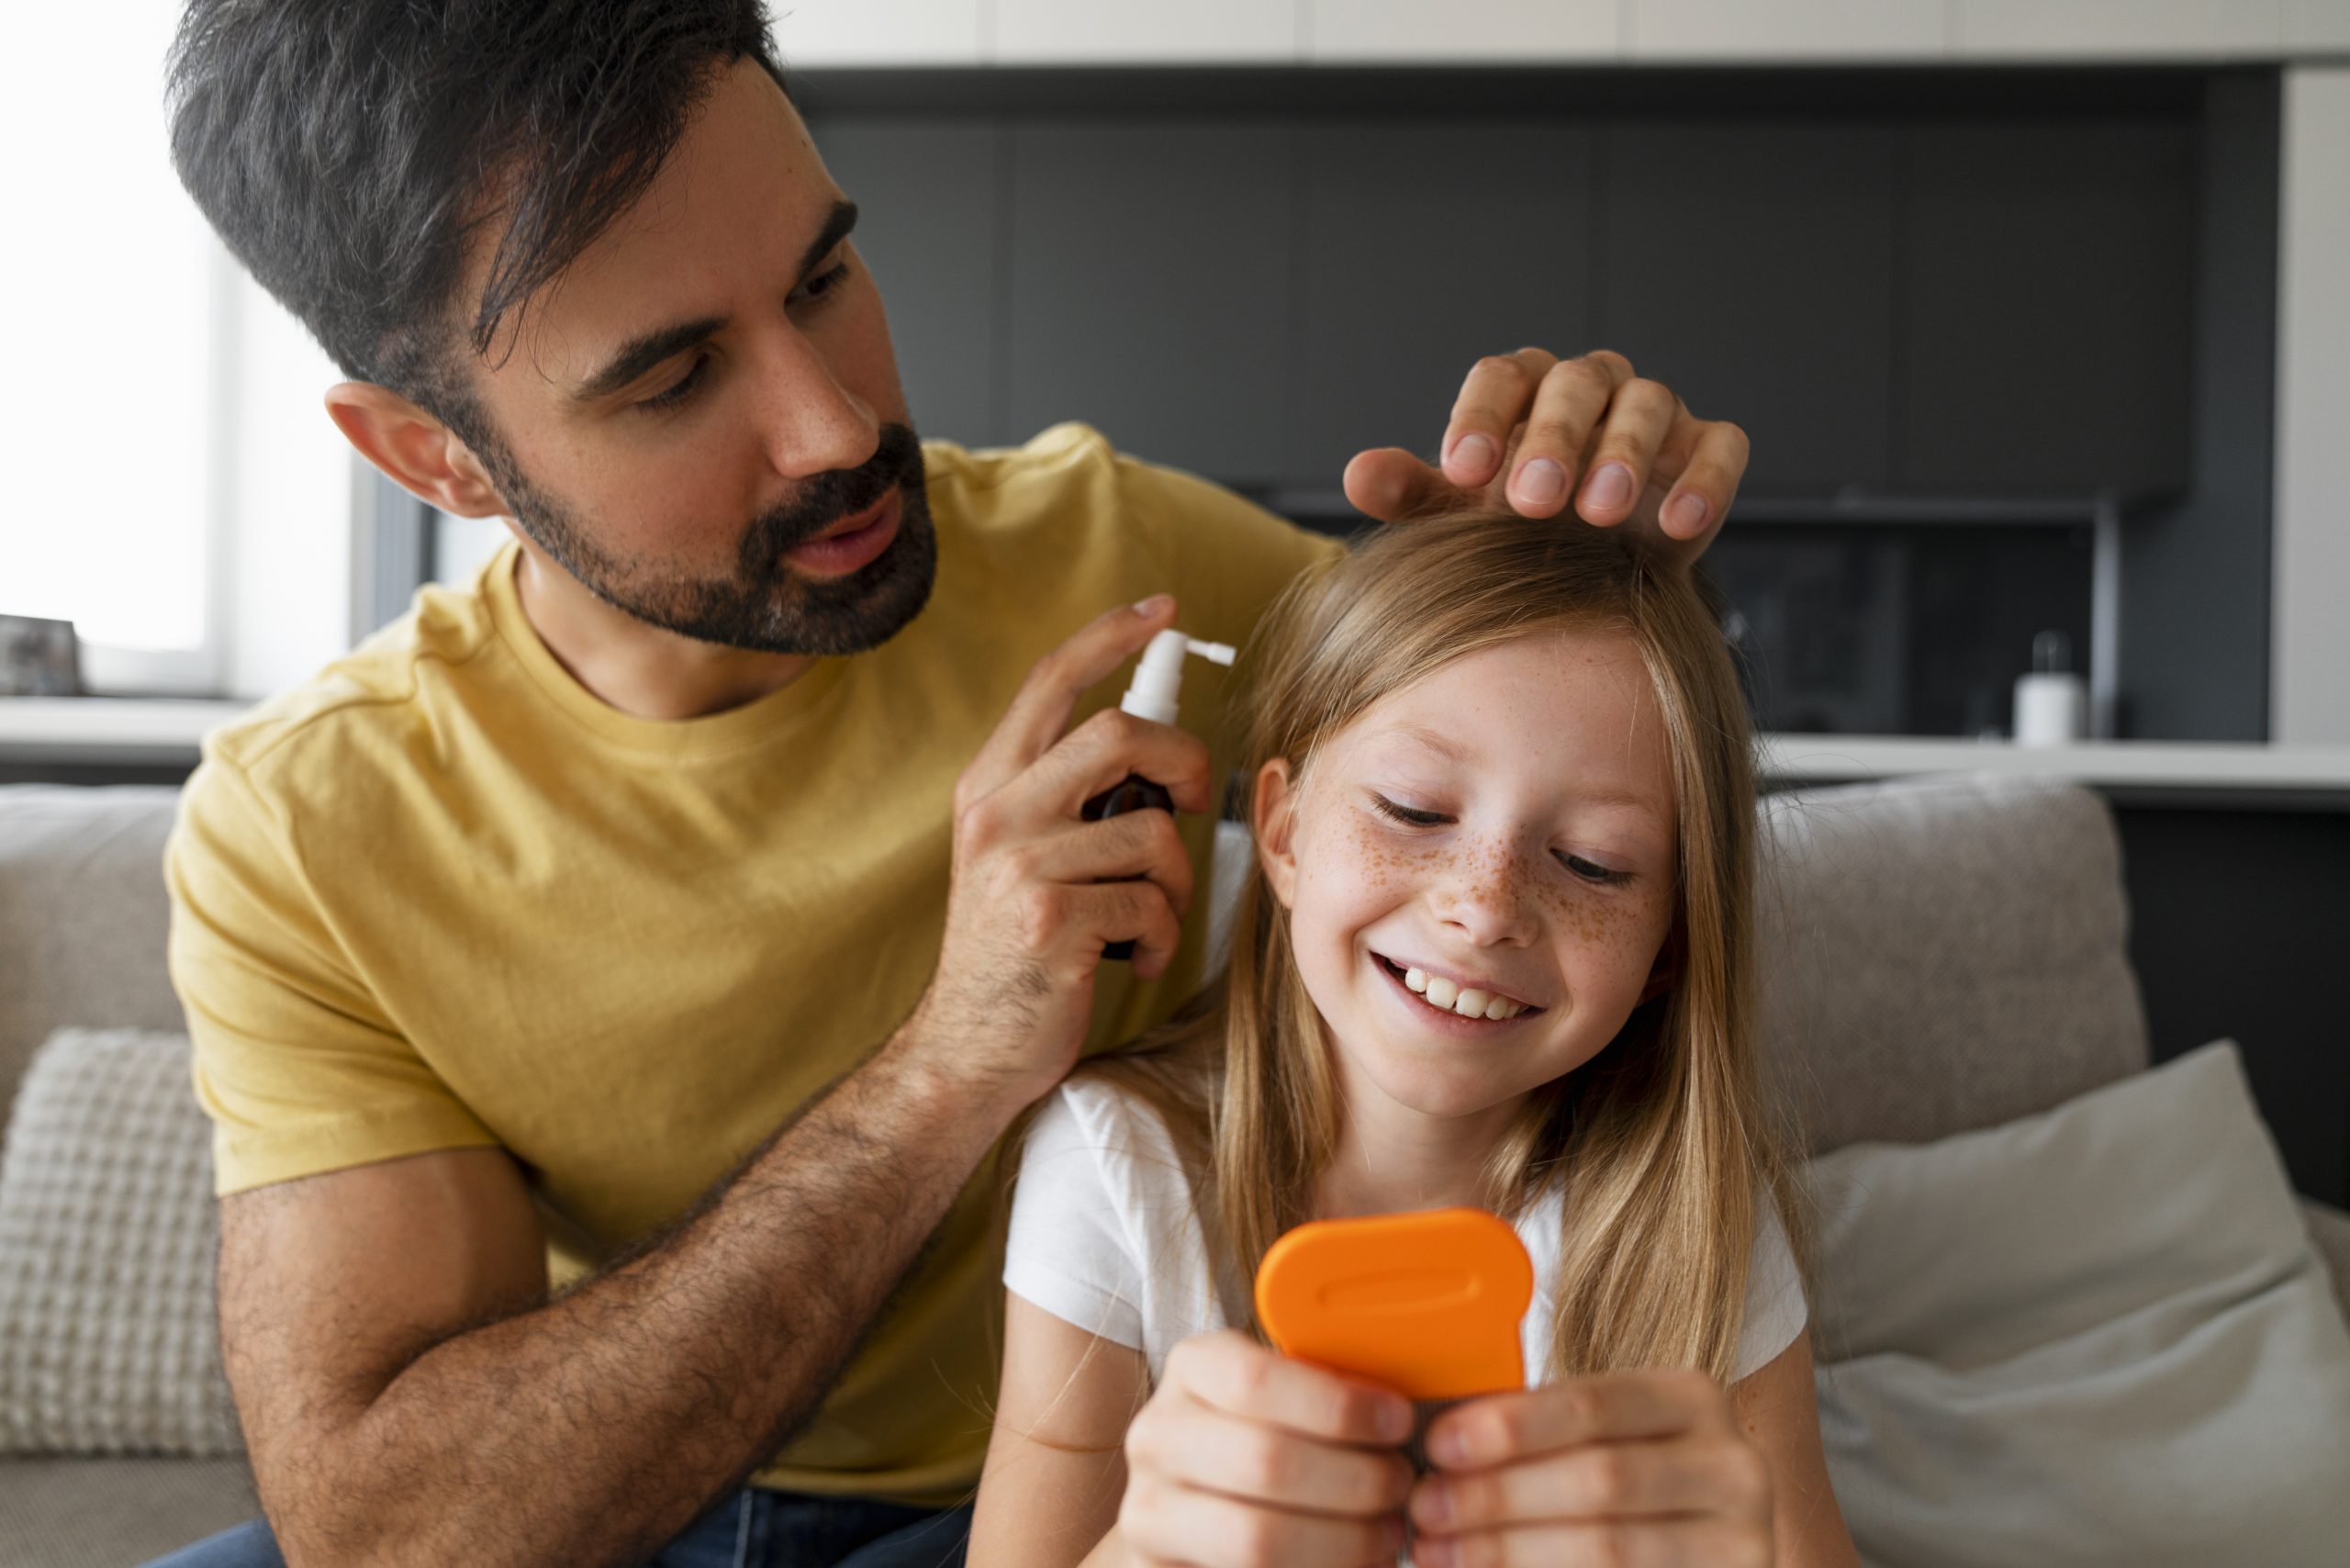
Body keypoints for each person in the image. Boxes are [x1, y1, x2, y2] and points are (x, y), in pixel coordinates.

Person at [151, 4, 1751, 1566]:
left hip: (1068, 1490)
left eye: (823, 276)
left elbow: (1559, 796)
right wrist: (949, 1061)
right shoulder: (306, 828)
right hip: (608, 1496)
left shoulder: (1124, 566)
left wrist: (1599, 560)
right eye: (672, 377)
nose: (837, 422)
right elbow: (398, 1531)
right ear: (435, 457)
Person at [971, 511, 1861, 1567]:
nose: (1483, 906)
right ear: (1286, 832)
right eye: (1411, 809)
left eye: (1592, 862)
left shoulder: (1687, 1203)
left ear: (1668, 947)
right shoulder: (1118, 1169)